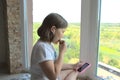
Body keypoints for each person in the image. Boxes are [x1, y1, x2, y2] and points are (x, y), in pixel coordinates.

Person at [30, 13, 82, 80]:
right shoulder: (42, 48)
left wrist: (73, 66)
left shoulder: (48, 44)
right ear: (53, 29)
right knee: (75, 72)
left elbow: (54, 65)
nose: (62, 35)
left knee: (73, 71)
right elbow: (53, 76)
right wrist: (61, 53)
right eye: (62, 32)